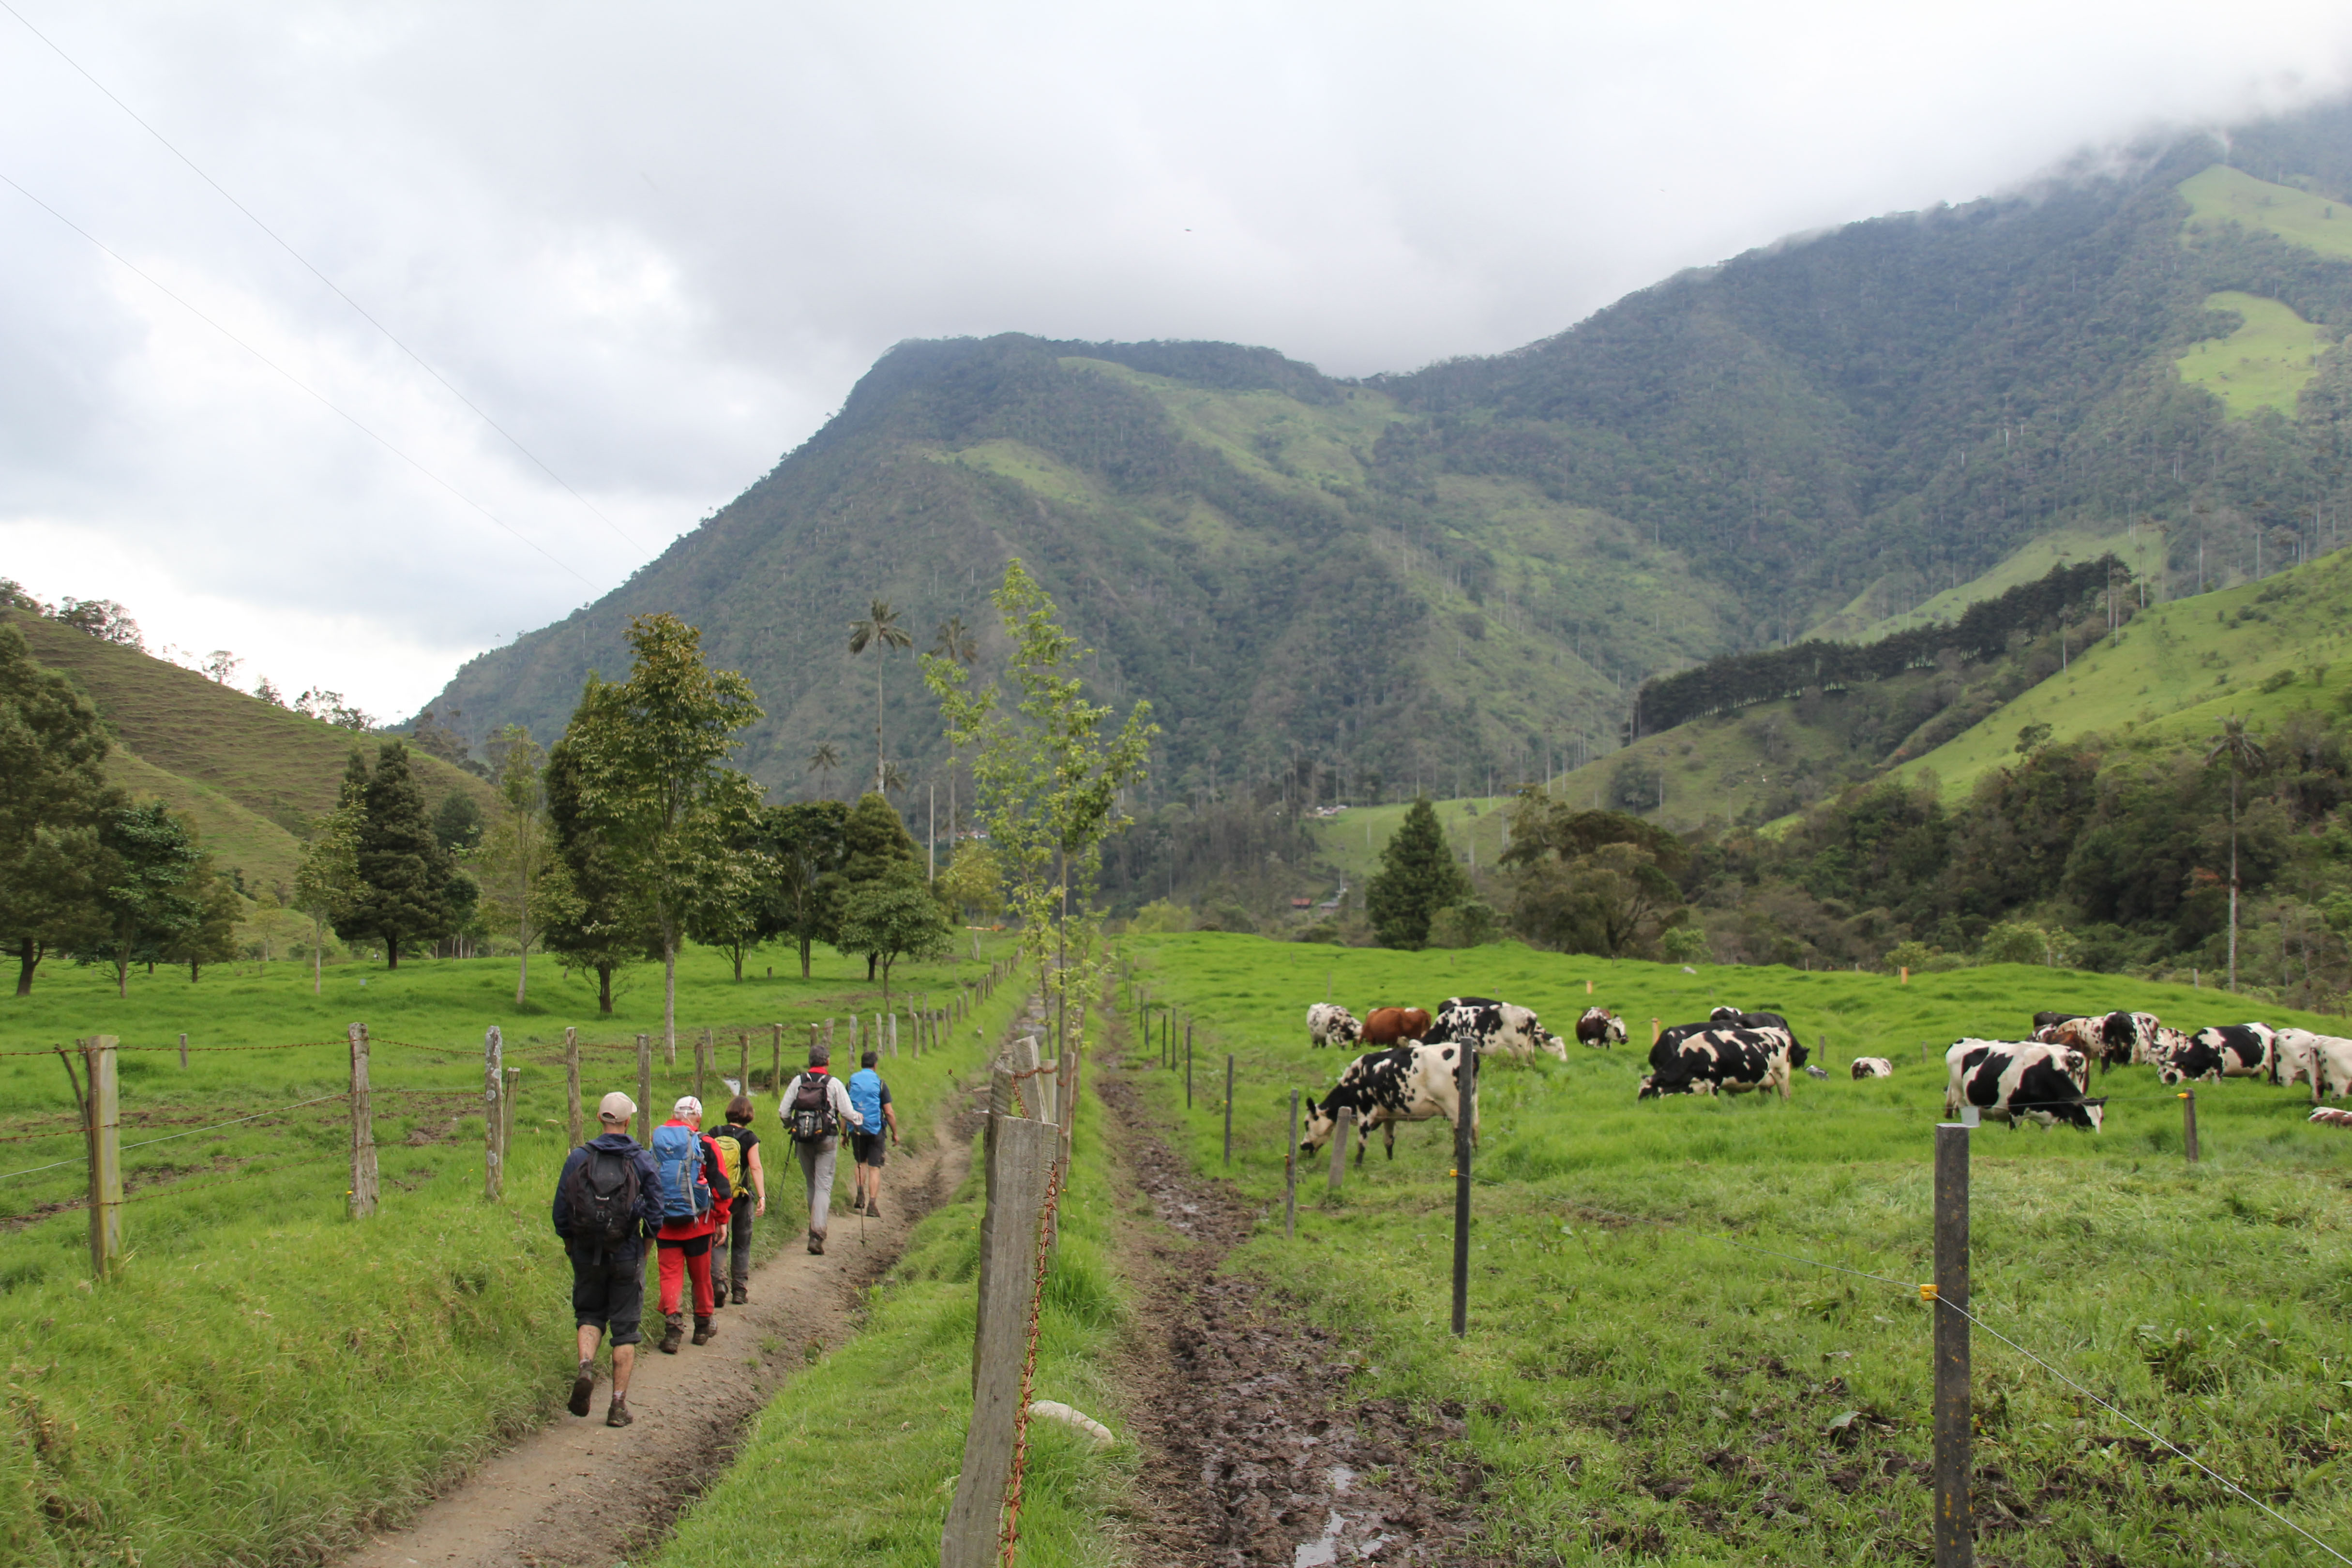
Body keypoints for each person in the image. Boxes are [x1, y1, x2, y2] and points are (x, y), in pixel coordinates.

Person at [551, 1091, 663, 1427]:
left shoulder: (579, 1158)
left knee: (589, 1315)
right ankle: (617, 1406)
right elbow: (657, 1211)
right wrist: (645, 1247)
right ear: (628, 1122)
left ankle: (586, 1367)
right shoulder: (642, 1159)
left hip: (586, 1254)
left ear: (600, 1119)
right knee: (625, 1331)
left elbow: (560, 1211)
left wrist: (572, 1246)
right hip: (627, 1254)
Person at [650, 1095, 732, 1353]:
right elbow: (721, 1186)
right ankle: (703, 1325)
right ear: (697, 1117)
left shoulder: (657, 1140)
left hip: (665, 1225)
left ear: (674, 1115)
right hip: (699, 1225)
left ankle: (673, 1330)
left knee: (670, 1276)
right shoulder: (705, 1142)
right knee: (701, 1276)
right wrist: (722, 1220)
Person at [778, 1042, 864, 1254]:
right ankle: (817, 1234)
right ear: (827, 1061)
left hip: (802, 1138)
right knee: (823, 1186)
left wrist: (792, 1125)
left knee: (811, 1184)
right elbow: (847, 1112)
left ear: (810, 1062)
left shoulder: (798, 1081)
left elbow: (783, 1111)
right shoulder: (833, 1083)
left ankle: (814, 1225)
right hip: (827, 1138)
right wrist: (859, 1120)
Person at [706, 1096, 765, 1306]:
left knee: (719, 1241)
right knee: (742, 1243)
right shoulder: (749, 1137)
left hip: (717, 1197)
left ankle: (719, 1284)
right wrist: (761, 1196)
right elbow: (756, 1167)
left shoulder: (714, 1133)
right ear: (749, 1116)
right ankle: (739, 1291)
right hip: (741, 1197)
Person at [846, 1049, 899, 1218]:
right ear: (875, 1066)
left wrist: (844, 1134)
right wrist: (895, 1133)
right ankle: (872, 1205)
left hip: (856, 1128)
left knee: (860, 1162)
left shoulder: (851, 1082)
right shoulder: (881, 1084)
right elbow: (889, 1112)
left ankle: (860, 1193)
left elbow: (845, 1111)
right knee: (874, 1167)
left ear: (861, 1064)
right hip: (876, 1130)